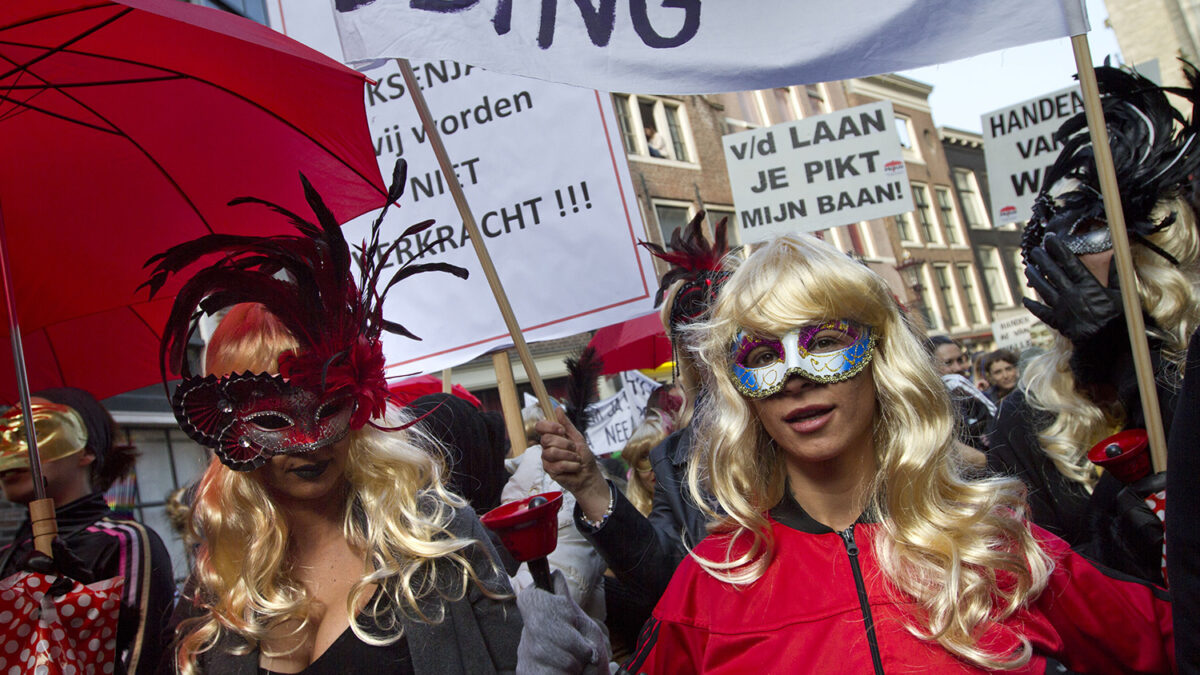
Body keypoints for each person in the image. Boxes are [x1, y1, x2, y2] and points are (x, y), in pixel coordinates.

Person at [626, 233, 1174, 673]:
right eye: (765, 354)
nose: (794, 377)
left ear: (879, 356)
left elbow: (1173, 642)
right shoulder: (711, 587)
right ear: (742, 389)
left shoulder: (998, 546)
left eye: (822, 342)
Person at [144, 165, 524, 673]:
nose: (307, 442)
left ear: (359, 400)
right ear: (226, 424)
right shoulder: (218, 584)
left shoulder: (436, 538)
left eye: (326, 407)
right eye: (274, 417)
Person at [988, 64, 1200, 581]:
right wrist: (1114, 541)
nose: (1064, 259)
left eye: (1088, 231)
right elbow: (1039, 582)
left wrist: (1129, 358)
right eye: (1048, 241)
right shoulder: (1029, 415)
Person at [539, 212, 731, 621]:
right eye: (695, 343)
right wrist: (590, 485)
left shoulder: (801, 425)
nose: (712, 355)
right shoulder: (675, 460)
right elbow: (666, 576)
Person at [0, 387, 175, 675]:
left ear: (86, 451)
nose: (11, 448)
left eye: (33, 430)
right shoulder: (9, 556)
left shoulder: (123, 541)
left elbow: (143, 660)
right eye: (4, 434)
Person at [927, 335, 995, 452]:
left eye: (960, 360)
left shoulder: (975, 398)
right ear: (929, 366)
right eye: (948, 363)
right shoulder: (930, 411)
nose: (958, 368)